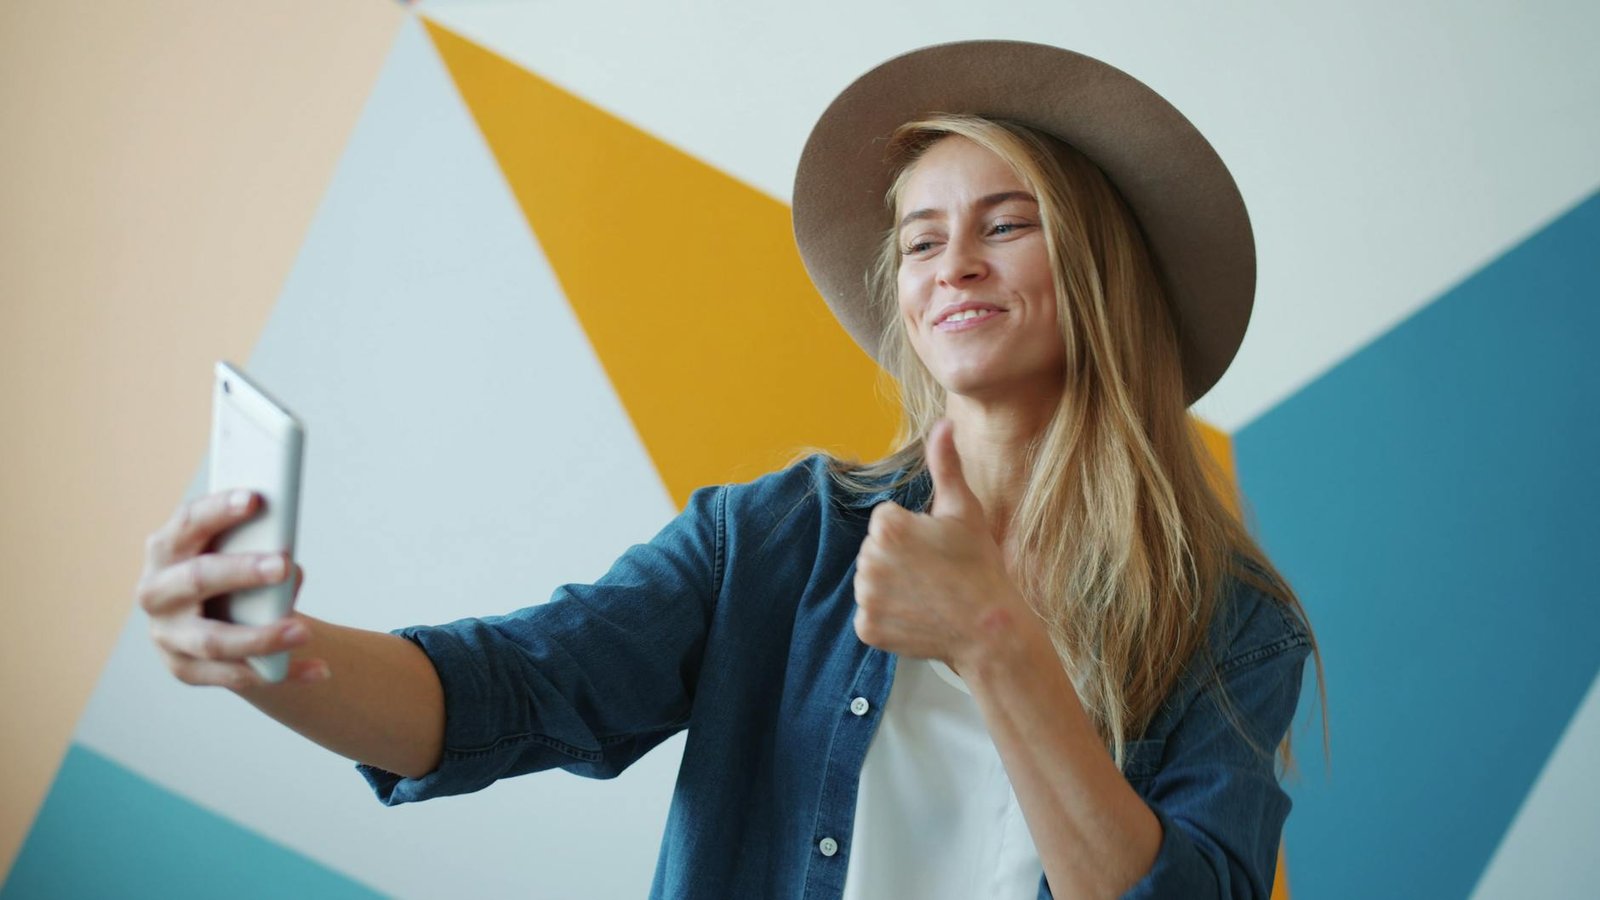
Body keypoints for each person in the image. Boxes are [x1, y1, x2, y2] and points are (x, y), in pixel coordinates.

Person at [135, 40, 1324, 899]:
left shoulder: (1233, 627)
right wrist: (269, 654)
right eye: (918, 239)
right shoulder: (777, 539)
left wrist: (994, 640)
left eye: (1006, 224)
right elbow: (504, 692)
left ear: (1102, 271)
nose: (951, 263)